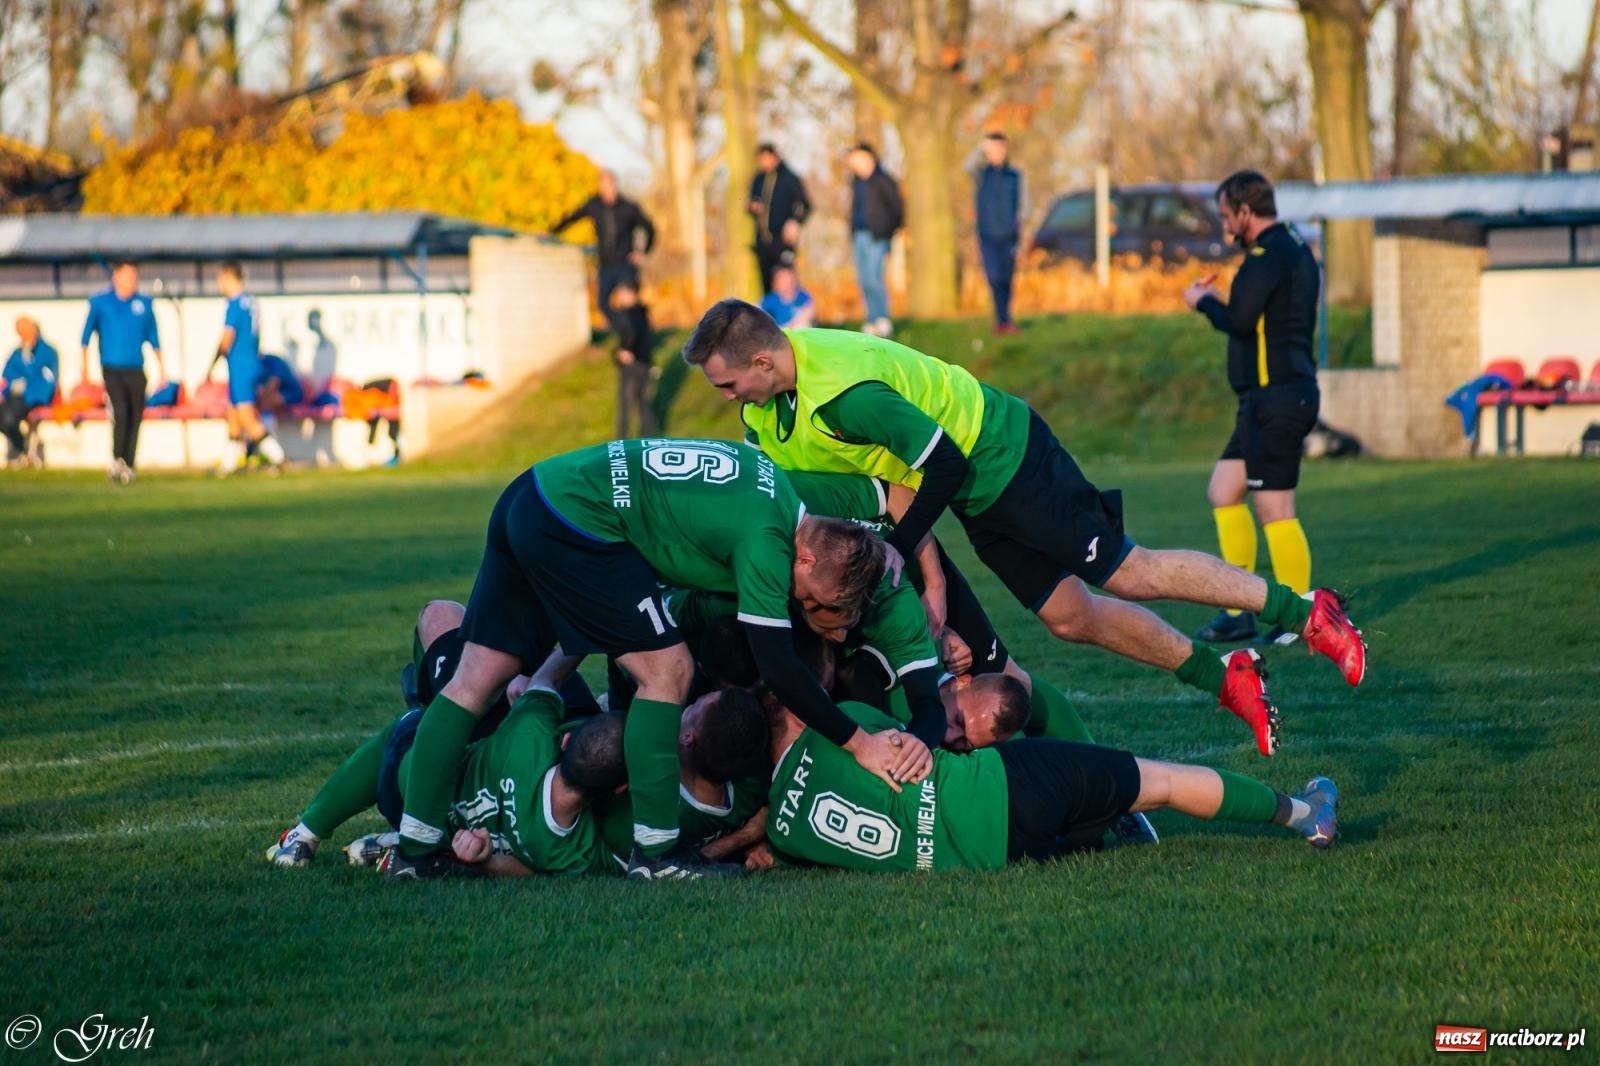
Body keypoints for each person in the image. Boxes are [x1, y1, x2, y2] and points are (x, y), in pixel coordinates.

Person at [683, 304, 1369, 759]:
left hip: (1001, 455)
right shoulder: (766, 412)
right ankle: (1225, 676)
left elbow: (943, 469)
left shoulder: (846, 392)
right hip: (952, 491)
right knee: (1070, 619)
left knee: (1127, 571)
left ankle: (1306, 613)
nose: (727, 398)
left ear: (763, 364)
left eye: (726, 384)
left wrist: (897, 552)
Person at [389, 438, 918, 882]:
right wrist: (860, 742)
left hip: (533, 492)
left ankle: (416, 851)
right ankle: (659, 854)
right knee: (670, 671)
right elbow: (777, 665)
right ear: (806, 558)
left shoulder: (773, 484)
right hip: (579, 523)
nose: (809, 607)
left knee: (474, 680)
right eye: (817, 598)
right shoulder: (768, 543)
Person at [757, 684, 1339, 873]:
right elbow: (896, 737)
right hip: (1007, 786)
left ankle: (1115, 822)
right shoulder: (849, 722)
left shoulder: (782, 831)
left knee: (1096, 820)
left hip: (1005, 854)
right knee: (1159, 782)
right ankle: (1306, 814)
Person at [267, 651, 630, 878]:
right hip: (434, 826)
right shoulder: (575, 853)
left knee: (412, 718)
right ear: (619, 788)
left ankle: (303, 836)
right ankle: (398, 843)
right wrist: (485, 859)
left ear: (565, 741)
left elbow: (544, 680)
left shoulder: (531, 739)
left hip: (410, 776)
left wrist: (583, 634)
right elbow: (537, 867)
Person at [1184, 170, 1322, 646]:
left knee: (1275, 507)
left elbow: (1241, 321)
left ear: (1246, 211)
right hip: (1265, 400)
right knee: (1224, 489)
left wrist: (1204, 301)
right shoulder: (1290, 247)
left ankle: (1301, 615)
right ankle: (1238, 609)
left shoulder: (1268, 256)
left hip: (1279, 396)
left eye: (1226, 215)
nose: (1225, 224)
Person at [81, 260, 166, 484]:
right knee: (121, 411)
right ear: (116, 277)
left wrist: (162, 370)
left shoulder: (144, 304)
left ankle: (130, 462)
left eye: (134, 276)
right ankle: (117, 458)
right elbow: (85, 338)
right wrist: (84, 369)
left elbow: (154, 338)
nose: (132, 281)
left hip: (136, 368)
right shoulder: (101, 303)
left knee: (136, 414)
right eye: (127, 276)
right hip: (112, 368)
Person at [551, 170, 657, 334]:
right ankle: (629, 333)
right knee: (603, 304)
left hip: (625, 264)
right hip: (606, 265)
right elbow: (573, 217)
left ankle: (638, 337)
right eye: (602, 185)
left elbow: (649, 229)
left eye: (609, 185)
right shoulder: (594, 205)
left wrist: (643, 252)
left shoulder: (629, 207)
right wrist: (552, 231)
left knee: (628, 302)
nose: (606, 189)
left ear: (615, 185)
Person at [205, 262, 285, 473]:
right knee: (232, 416)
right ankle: (228, 464)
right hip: (251, 362)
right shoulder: (252, 302)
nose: (219, 284)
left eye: (220, 279)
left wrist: (211, 366)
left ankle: (278, 458)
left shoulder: (234, 304)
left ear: (229, 278)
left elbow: (227, 339)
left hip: (240, 366)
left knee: (247, 418)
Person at [845, 143, 903, 338]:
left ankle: (882, 318)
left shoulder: (883, 180)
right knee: (863, 278)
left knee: (873, 276)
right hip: (859, 235)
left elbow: (897, 209)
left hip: (877, 236)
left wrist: (887, 231)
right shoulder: (856, 182)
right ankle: (870, 319)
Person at [974, 132, 1024, 335]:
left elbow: (1023, 205)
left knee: (1006, 278)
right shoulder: (980, 175)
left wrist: (1021, 231)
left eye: (999, 149)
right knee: (993, 277)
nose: (996, 154)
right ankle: (1000, 319)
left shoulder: (1014, 176)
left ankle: (1006, 320)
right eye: (992, 150)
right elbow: (966, 165)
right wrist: (981, 147)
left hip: (1009, 235)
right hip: (987, 235)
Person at [750, 143, 811, 293]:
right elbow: (751, 202)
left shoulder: (789, 178)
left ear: (775, 157)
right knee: (765, 282)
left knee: (785, 278)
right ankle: (768, 315)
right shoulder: (758, 179)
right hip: (763, 240)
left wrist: (795, 222)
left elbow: (805, 205)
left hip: (783, 240)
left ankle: (791, 314)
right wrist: (753, 207)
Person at [1, 317, 58, 466]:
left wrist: (27, 385)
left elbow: (47, 378)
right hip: (13, 397)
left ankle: (19, 450)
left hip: (32, 397)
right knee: (4, 416)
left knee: (9, 418)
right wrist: (10, 387)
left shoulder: (47, 352)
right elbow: (7, 375)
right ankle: (22, 447)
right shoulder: (17, 353)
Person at [609, 280, 658, 438]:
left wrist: (625, 352)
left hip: (632, 366)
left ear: (631, 294)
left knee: (625, 406)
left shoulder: (629, 314)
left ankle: (620, 445)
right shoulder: (643, 313)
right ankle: (647, 442)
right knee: (644, 405)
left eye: (622, 293)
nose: (620, 297)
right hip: (644, 363)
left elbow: (631, 335)